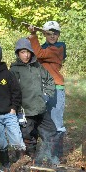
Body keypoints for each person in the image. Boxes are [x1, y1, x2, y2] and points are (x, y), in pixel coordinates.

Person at [10, 37, 60, 165]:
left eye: (27, 52)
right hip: (25, 111)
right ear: (18, 53)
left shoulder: (38, 66)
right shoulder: (14, 70)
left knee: (51, 132)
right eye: (22, 52)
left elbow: (49, 80)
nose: (25, 55)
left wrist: (47, 95)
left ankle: (51, 158)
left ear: (31, 52)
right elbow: (10, 90)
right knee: (27, 136)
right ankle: (29, 161)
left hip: (41, 107)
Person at [27, 21, 67, 159]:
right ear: (44, 34)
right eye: (49, 32)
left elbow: (38, 54)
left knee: (56, 122)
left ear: (58, 35)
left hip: (56, 87)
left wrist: (33, 35)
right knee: (43, 121)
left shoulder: (60, 47)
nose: (52, 35)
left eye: (55, 33)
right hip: (41, 88)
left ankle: (55, 156)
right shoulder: (44, 46)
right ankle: (46, 153)